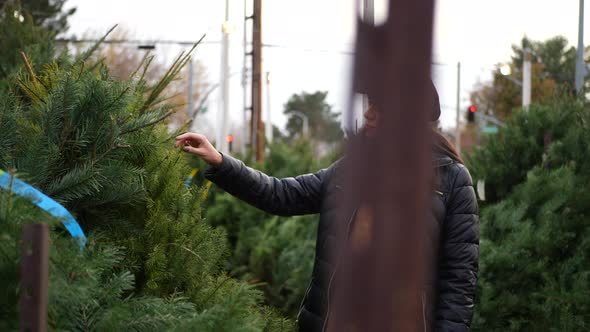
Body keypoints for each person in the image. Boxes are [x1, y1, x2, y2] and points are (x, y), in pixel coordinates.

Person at [174, 83, 479, 332]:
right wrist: (221, 162)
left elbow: (458, 283)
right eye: (370, 104)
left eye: (380, 108)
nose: (369, 114)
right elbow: (280, 194)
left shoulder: (451, 181)